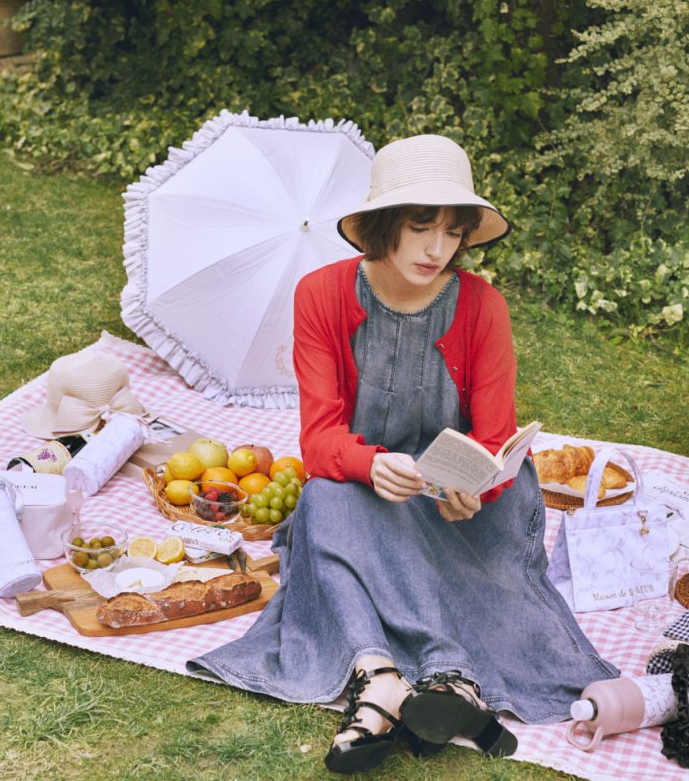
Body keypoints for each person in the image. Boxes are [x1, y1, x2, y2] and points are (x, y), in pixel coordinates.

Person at [189, 134, 617, 774]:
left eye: (452, 232)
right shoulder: (321, 294)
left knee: (360, 538)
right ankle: (388, 675)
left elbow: (496, 437)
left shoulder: (483, 306)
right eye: (421, 227)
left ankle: (434, 683)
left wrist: (478, 489)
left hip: (463, 505)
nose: (437, 249)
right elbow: (321, 436)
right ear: (384, 224)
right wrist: (368, 464)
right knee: (323, 499)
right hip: (372, 490)